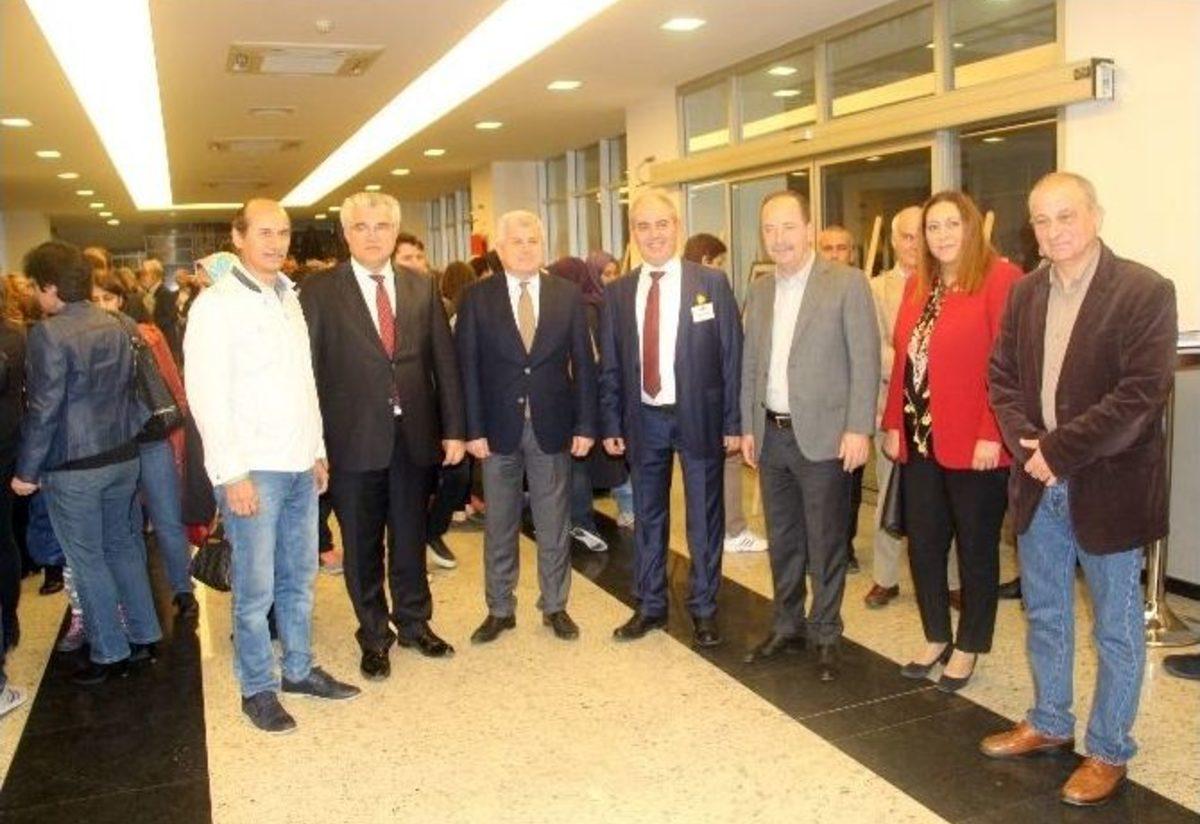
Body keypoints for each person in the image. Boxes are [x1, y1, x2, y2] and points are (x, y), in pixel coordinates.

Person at [982, 172, 1177, 806]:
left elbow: (1140, 396)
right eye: (1041, 220)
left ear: (1095, 215)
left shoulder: (1145, 290)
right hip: (1038, 483)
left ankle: (1110, 748)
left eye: (1065, 215)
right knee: (1045, 613)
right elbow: (1002, 376)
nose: (1053, 230)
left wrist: (1057, 451)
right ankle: (1049, 721)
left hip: (1108, 487)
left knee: (1115, 628)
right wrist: (1028, 448)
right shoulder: (1025, 292)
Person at [186, 199, 359, 734]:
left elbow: (304, 382)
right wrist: (230, 473)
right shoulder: (216, 306)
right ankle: (257, 687)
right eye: (263, 232)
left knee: (300, 578)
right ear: (238, 237)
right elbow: (207, 396)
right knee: (255, 589)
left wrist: (317, 448)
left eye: (282, 232)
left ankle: (299, 669)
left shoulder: (289, 297)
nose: (276, 242)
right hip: (253, 469)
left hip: (299, 463)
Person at [299, 192, 465, 681]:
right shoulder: (319, 291)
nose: (372, 236)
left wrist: (454, 429)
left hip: (414, 437)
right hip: (351, 440)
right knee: (362, 544)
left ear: (395, 231)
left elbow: (444, 363)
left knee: (411, 537)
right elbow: (307, 373)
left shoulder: (421, 285)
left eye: (382, 226)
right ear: (346, 234)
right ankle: (374, 635)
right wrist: (314, 445)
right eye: (361, 226)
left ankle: (414, 623)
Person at [881, 191, 1020, 693]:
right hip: (921, 440)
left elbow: (1008, 363)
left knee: (976, 549)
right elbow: (905, 360)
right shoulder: (920, 284)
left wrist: (992, 431)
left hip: (975, 442)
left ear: (972, 227)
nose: (941, 235)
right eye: (932, 227)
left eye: (951, 224)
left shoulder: (1001, 278)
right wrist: (893, 422)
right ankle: (936, 635)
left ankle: (969, 644)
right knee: (924, 544)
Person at [740, 191, 878, 682]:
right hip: (771, 434)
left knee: (825, 541)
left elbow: (865, 360)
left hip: (824, 435)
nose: (779, 238)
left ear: (809, 228)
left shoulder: (846, 283)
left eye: (788, 227)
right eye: (769, 229)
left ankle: (825, 634)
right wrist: (747, 425)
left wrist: (859, 427)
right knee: (783, 540)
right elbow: (751, 363)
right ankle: (787, 624)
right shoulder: (760, 290)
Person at [12, 241, 161, 686]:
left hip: (74, 464)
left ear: (51, 287)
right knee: (124, 546)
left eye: (37, 287)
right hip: (122, 453)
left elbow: (43, 409)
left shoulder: (49, 334)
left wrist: (26, 471)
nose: (35, 295)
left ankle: (109, 652)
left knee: (87, 558)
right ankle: (145, 636)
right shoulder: (117, 321)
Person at [599, 189, 742, 648]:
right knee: (648, 514)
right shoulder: (618, 292)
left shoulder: (711, 283)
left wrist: (733, 422)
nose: (654, 234)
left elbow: (731, 354)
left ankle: (704, 609)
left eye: (662, 224)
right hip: (643, 417)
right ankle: (649, 605)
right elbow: (611, 363)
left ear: (677, 227)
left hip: (699, 415)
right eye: (643, 226)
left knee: (704, 515)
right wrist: (611, 422)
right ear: (633, 234)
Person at [458, 213, 597, 643]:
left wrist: (586, 424)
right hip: (496, 429)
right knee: (499, 523)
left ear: (543, 245)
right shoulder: (476, 297)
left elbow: (584, 364)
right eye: (515, 241)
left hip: (552, 424)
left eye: (532, 240)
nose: (524, 248)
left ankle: (555, 605)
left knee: (554, 521)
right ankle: (500, 609)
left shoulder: (566, 295)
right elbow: (467, 368)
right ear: (499, 249)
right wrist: (472, 429)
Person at [865, 207, 961, 609]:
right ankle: (885, 578)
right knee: (889, 495)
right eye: (906, 237)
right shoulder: (874, 288)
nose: (914, 244)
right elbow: (875, 348)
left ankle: (951, 581)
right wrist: (920, 358)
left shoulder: (950, 283)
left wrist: (923, 357)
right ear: (893, 241)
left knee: (945, 500)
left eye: (920, 235)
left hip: (942, 414)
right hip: (891, 409)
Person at [91, 271, 198, 619]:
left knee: (168, 518)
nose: (102, 306)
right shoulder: (83, 342)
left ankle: (183, 588)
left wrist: (179, 437)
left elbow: (172, 385)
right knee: (126, 526)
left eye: (108, 298)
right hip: (112, 447)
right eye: (95, 299)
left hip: (152, 440)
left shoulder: (147, 335)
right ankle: (137, 595)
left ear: (121, 300)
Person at [682, 233, 768, 556]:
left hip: (695, 400)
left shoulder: (682, 288)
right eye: (719, 262)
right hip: (718, 396)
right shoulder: (713, 289)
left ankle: (715, 530)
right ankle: (733, 529)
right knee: (729, 463)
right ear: (706, 260)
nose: (722, 269)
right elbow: (730, 347)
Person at [816, 224, 864, 573]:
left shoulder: (859, 288)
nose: (834, 255)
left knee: (849, 488)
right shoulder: (806, 292)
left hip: (849, 413)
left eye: (841, 248)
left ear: (852, 253)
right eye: (827, 248)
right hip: (813, 413)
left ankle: (844, 547)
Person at [585, 251, 633, 526]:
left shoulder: (619, 302)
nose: (612, 279)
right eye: (606, 274)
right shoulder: (590, 309)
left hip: (624, 389)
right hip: (605, 390)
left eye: (615, 273)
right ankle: (628, 506)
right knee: (614, 456)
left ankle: (630, 506)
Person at [0, 281, 25, 652]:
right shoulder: (18, 334)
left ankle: (7, 620)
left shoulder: (13, 337)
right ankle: (8, 620)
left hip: (4, 445)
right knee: (5, 536)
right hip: (9, 440)